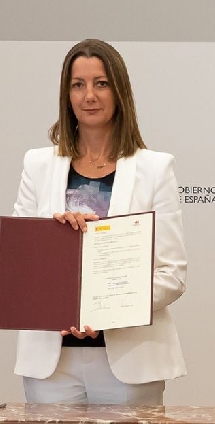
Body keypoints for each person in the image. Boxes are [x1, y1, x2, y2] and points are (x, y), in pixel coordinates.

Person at [12, 39, 187, 404]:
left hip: (130, 361)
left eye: (101, 83)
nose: (89, 95)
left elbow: (171, 275)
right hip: (51, 362)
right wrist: (52, 235)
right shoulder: (37, 165)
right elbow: (20, 265)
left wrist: (110, 310)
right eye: (78, 85)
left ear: (119, 90)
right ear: (67, 94)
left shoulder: (155, 169)